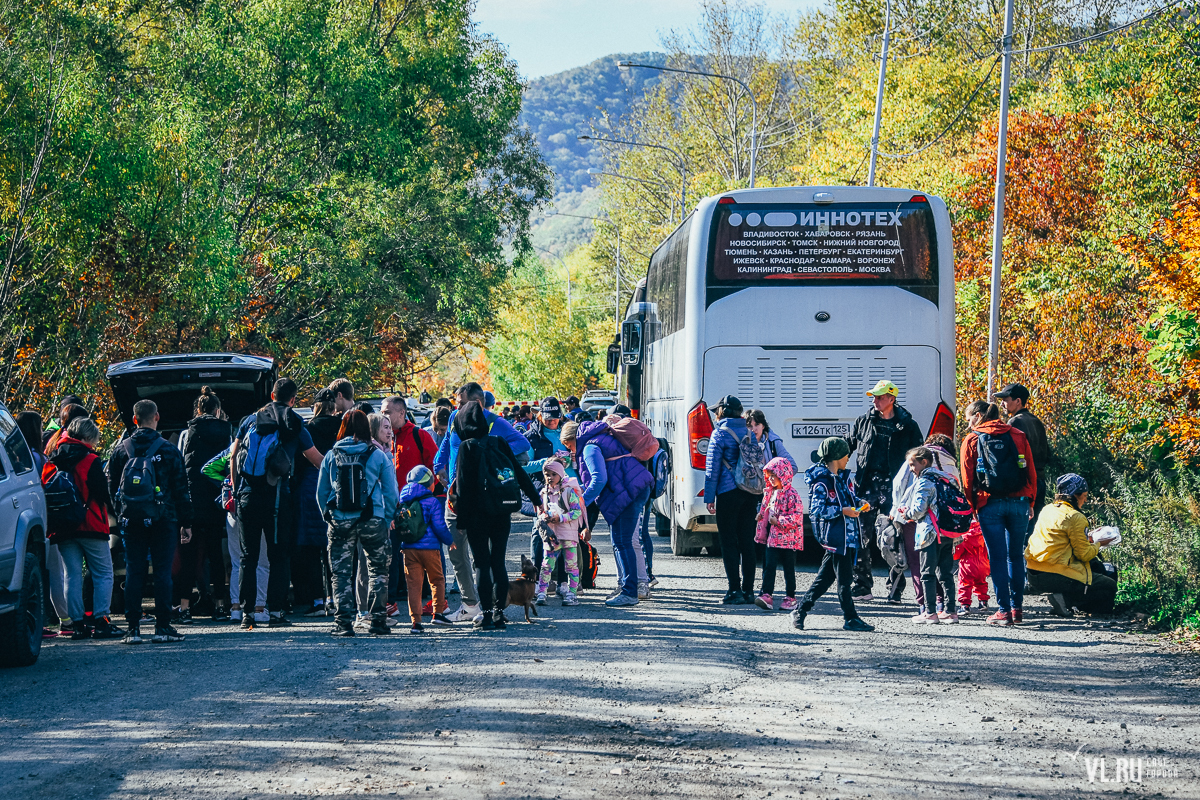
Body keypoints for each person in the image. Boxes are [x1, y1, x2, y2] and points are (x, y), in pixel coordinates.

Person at [434, 382, 533, 623]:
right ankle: (472, 605)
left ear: (477, 403)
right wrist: (439, 465)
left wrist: (493, 453)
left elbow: (523, 446)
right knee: (459, 555)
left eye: (461, 403)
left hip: (482, 500)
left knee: (487, 560)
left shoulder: (495, 424)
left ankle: (492, 612)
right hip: (457, 498)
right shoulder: (457, 419)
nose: (456, 408)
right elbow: (446, 444)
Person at [229, 378, 324, 629]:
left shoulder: (249, 420)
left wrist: (236, 490)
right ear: (293, 400)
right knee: (279, 556)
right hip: (278, 498)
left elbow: (233, 456)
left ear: (272, 395)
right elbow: (316, 459)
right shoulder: (293, 422)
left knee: (248, 557)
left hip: (247, 495)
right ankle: (275, 611)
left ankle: (247, 613)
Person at [105, 399, 193, 644]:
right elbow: (180, 489)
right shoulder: (168, 450)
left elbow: (111, 487)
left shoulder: (121, 450)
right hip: (164, 518)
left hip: (131, 521)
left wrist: (121, 512)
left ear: (134, 419)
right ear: (157, 417)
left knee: (135, 571)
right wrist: (186, 521)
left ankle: (132, 628)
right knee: (163, 572)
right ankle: (163, 626)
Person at [317, 409, 400, 636]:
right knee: (378, 570)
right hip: (373, 520)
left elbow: (322, 492)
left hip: (340, 522)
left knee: (341, 573)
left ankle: (343, 623)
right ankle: (378, 621)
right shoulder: (377, 454)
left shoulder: (332, 455)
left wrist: (328, 515)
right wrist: (389, 517)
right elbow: (391, 491)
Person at [845, 380, 925, 603]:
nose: (875, 401)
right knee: (861, 535)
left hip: (895, 491)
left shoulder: (908, 425)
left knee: (894, 538)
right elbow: (849, 445)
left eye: (880, 397)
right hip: (866, 487)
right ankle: (862, 586)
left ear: (892, 399)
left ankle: (896, 589)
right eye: (874, 397)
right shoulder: (863, 421)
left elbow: (920, 457)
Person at [960, 400, 1038, 627]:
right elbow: (1030, 471)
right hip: (1019, 501)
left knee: (997, 557)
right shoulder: (1017, 435)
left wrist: (972, 506)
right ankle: (1017, 610)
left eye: (968, 418)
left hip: (989, 502)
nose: (968, 423)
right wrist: (1030, 500)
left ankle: (1003, 612)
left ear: (977, 415)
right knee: (1015, 555)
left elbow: (967, 479)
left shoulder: (972, 439)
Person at [44, 417, 123, 640]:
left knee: (71, 576)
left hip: (62, 526)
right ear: (88, 437)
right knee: (103, 572)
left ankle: (77, 624)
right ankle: (101, 620)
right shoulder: (90, 459)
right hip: (91, 523)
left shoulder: (54, 457)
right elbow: (102, 494)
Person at [561, 417, 652, 608]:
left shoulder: (589, 447)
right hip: (634, 487)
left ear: (573, 438)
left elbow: (598, 480)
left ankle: (629, 591)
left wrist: (581, 503)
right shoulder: (601, 437)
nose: (570, 451)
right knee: (620, 540)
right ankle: (627, 586)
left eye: (568, 445)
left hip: (628, 491)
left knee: (622, 541)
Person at [793, 437, 874, 632]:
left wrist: (860, 503)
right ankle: (850, 618)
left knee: (824, 580)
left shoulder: (842, 478)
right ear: (837, 456)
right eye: (846, 455)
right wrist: (842, 510)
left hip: (845, 539)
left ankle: (800, 610)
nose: (848, 459)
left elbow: (849, 498)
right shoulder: (821, 483)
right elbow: (817, 510)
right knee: (844, 581)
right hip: (836, 538)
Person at [175, 387, 233, 623]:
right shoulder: (228, 434)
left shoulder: (186, 434)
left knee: (189, 557)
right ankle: (220, 606)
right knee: (216, 556)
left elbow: (180, 468)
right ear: (218, 410)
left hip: (192, 503)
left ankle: (185, 608)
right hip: (216, 501)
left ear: (198, 410)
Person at [1025, 474, 1118, 616]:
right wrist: (1100, 544)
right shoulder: (1076, 517)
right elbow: (1084, 554)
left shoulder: (1048, 509)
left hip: (1033, 572)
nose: (1085, 499)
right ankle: (1066, 600)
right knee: (1108, 586)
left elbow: (1060, 539)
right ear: (1075, 495)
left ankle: (1067, 601)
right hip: (1055, 573)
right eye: (1084, 495)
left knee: (1096, 573)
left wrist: (1087, 538)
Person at [886, 433, 957, 608]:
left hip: (918, 521)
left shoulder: (916, 459)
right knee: (944, 566)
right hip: (945, 522)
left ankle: (925, 603)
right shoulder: (950, 464)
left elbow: (899, 483)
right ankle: (946, 604)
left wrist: (897, 510)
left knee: (919, 563)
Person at [703, 395, 760, 605]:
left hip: (728, 492)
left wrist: (709, 497)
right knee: (747, 541)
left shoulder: (719, 433)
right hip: (749, 491)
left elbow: (712, 468)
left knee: (728, 542)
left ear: (723, 412)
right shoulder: (749, 432)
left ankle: (734, 590)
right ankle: (749, 592)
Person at [294, 389, 342, 617]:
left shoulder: (307, 428)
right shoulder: (342, 427)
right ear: (334, 407)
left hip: (310, 487)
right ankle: (336, 597)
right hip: (337, 486)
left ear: (315, 406)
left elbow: (298, 459)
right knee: (335, 547)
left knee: (313, 549)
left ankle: (316, 600)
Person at [397, 466, 454, 633]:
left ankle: (416, 623)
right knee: (437, 580)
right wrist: (449, 540)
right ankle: (438, 614)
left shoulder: (404, 501)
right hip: (430, 549)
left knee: (414, 586)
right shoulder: (432, 502)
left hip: (409, 549)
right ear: (428, 484)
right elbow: (439, 526)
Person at [995, 383, 1051, 543]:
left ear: (1018, 401)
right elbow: (1048, 455)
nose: (1002, 404)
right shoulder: (1036, 421)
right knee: (1033, 531)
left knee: (1020, 536)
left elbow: (1009, 456)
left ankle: (1021, 567)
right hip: (1040, 480)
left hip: (1025, 484)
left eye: (1005, 400)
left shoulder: (1014, 423)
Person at [753, 457, 804, 612]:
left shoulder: (792, 495)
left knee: (789, 569)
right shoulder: (771, 493)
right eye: (769, 476)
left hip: (790, 540)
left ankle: (791, 597)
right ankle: (767, 594)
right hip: (773, 538)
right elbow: (766, 509)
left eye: (773, 476)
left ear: (783, 475)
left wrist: (779, 520)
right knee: (769, 566)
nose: (771, 479)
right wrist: (761, 517)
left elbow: (796, 517)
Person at [534, 460, 585, 606]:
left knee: (571, 565)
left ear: (561, 474)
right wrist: (544, 516)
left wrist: (561, 517)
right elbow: (540, 511)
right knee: (546, 565)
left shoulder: (569, 492)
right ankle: (542, 592)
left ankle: (572, 593)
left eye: (553, 474)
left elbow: (577, 511)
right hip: (551, 536)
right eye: (547, 474)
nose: (550, 477)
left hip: (568, 535)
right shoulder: (544, 493)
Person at [955, 519, 991, 613]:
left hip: (967, 564)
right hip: (983, 563)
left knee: (965, 584)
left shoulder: (964, 535)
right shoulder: (984, 533)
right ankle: (983, 602)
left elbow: (958, 552)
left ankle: (965, 605)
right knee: (981, 583)